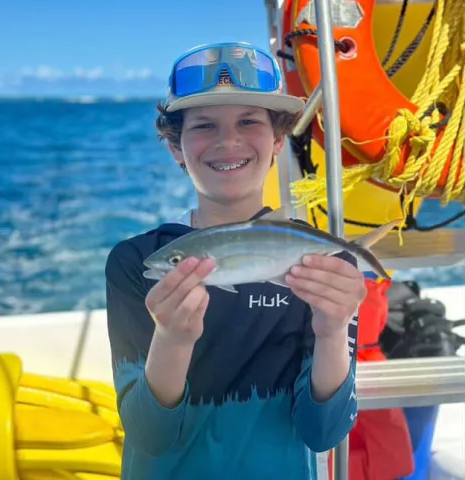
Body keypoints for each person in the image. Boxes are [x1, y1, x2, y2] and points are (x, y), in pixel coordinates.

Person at [105, 41, 367, 480]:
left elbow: (324, 431)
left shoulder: (325, 265)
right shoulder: (136, 261)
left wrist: (332, 330)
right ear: (175, 147)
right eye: (205, 125)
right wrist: (172, 339)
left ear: (279, 140)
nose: (228, 141)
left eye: (248, 121)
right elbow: (149, 435)